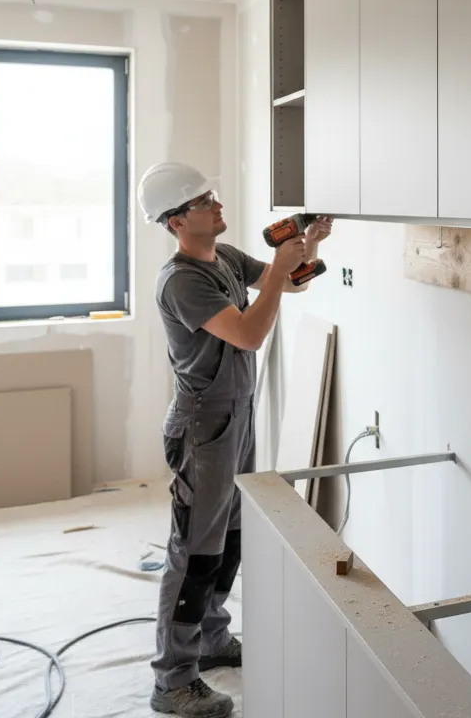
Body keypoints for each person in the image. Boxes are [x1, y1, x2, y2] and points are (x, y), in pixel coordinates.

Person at [137, 162, 332, 717]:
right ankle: (172, 678)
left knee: (231, 535)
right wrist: (275, 272)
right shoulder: (181, 280)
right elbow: (248, 333)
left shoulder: (222, 258)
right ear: (177, 222)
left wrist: (308, 247)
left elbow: (289, 284)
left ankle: (213, 638)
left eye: (214, 196)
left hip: (237, 414)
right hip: (204, 424)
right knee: (195, 550)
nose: (217, 205)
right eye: (204, 201)